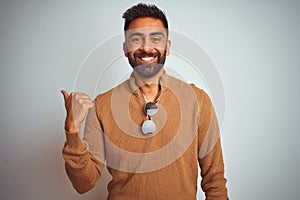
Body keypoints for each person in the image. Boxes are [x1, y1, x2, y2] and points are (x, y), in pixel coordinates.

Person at [61, 3, 228, 200]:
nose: (147, 47)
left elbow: (214, 180)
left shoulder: (198, 101)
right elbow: (84, 184)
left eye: (155, 39)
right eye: (136, 39)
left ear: (167, 46)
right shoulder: (101, 106)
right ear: (125, 48)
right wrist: (72, 130)